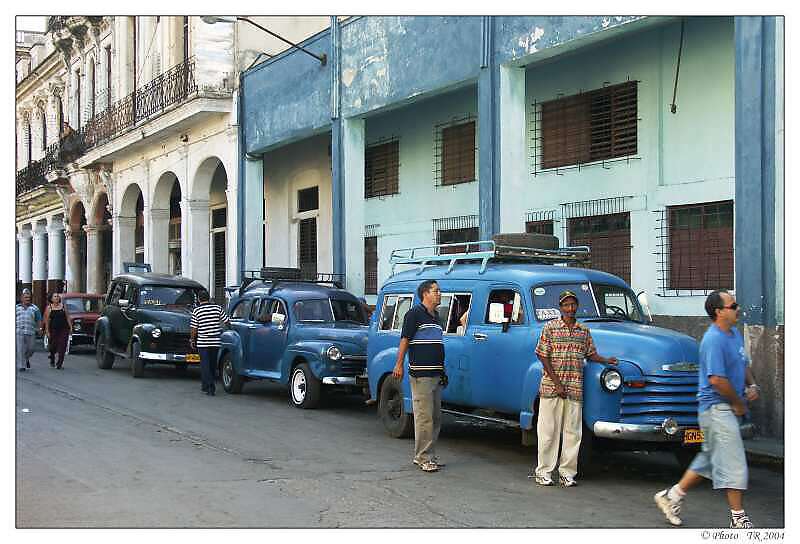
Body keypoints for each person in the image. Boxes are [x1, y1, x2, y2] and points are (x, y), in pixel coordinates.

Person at [654, 289, 759, 528]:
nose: (738, 309)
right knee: (734, 462)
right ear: (719, 312)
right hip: (717, 408)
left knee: (709, 459)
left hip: (725, 407)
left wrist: (752, 384)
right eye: (733, 306)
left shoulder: (733, 334)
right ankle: (738, 518)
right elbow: (717, 380)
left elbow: (743, 364)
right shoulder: (713, 340)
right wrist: (737, 402)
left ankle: (671, 497)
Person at [532, 290, 617, 487]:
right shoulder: (550, 328)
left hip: (574, 388)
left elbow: (591, 354)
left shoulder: (583, 330)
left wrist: (606, 360)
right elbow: (542, 356)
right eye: (566, 305)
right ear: (560, 308)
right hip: (552, 388)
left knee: (572, 433)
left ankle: (567, 473)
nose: (570, 308)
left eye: (573, 305)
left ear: (577, 306)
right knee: (548, 432)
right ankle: (544, 471)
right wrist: (557, 383)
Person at [392, 280, 446, 472]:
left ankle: (429, 454)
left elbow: (437, 345)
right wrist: (399, 364)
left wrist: (442, 371)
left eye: (439, 291)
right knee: (424, 417)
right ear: (425, 294)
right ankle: (423, 457)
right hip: (421, 374)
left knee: (436, 417)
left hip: (435, 374)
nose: (439, 294)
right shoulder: (414, 314)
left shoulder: (436, 317)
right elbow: (405, 339)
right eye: (436, 291)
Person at [190, 290, 230, 396]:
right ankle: (206, 385)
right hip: (215, 341)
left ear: (199, 299)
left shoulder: (197, 311)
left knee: (204, 365)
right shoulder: (217, 308)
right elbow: (226, 321)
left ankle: (209, 386)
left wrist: (192, 339)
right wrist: (229, 330)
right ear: (209, 298)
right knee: (212, 365)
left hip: (203, 342)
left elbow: (194, 328)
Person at [43, 292, 73, 369]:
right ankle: (52, 357)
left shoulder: (63, 306)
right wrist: (47, 331)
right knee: (53, 346)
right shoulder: (49, 308)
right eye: (55, 296)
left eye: (57, 296)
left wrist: (70, 327)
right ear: (51, 299)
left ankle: (59, 363)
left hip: (64, 329)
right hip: (53, 329)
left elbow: (67, 317)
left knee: (63, 346)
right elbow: (47, 321)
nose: (57, 298)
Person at [16, 288, 41, 372]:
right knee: (20, 349)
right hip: (19, 331)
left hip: (31, 331)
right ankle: (21, 366)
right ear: (22, 298)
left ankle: (26, 358)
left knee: (31, 349)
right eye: (25, 297)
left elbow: (39, 320)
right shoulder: (16, 307)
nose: (27, 299)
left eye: (29, 298)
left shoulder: (35, 308)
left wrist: (39, 329)